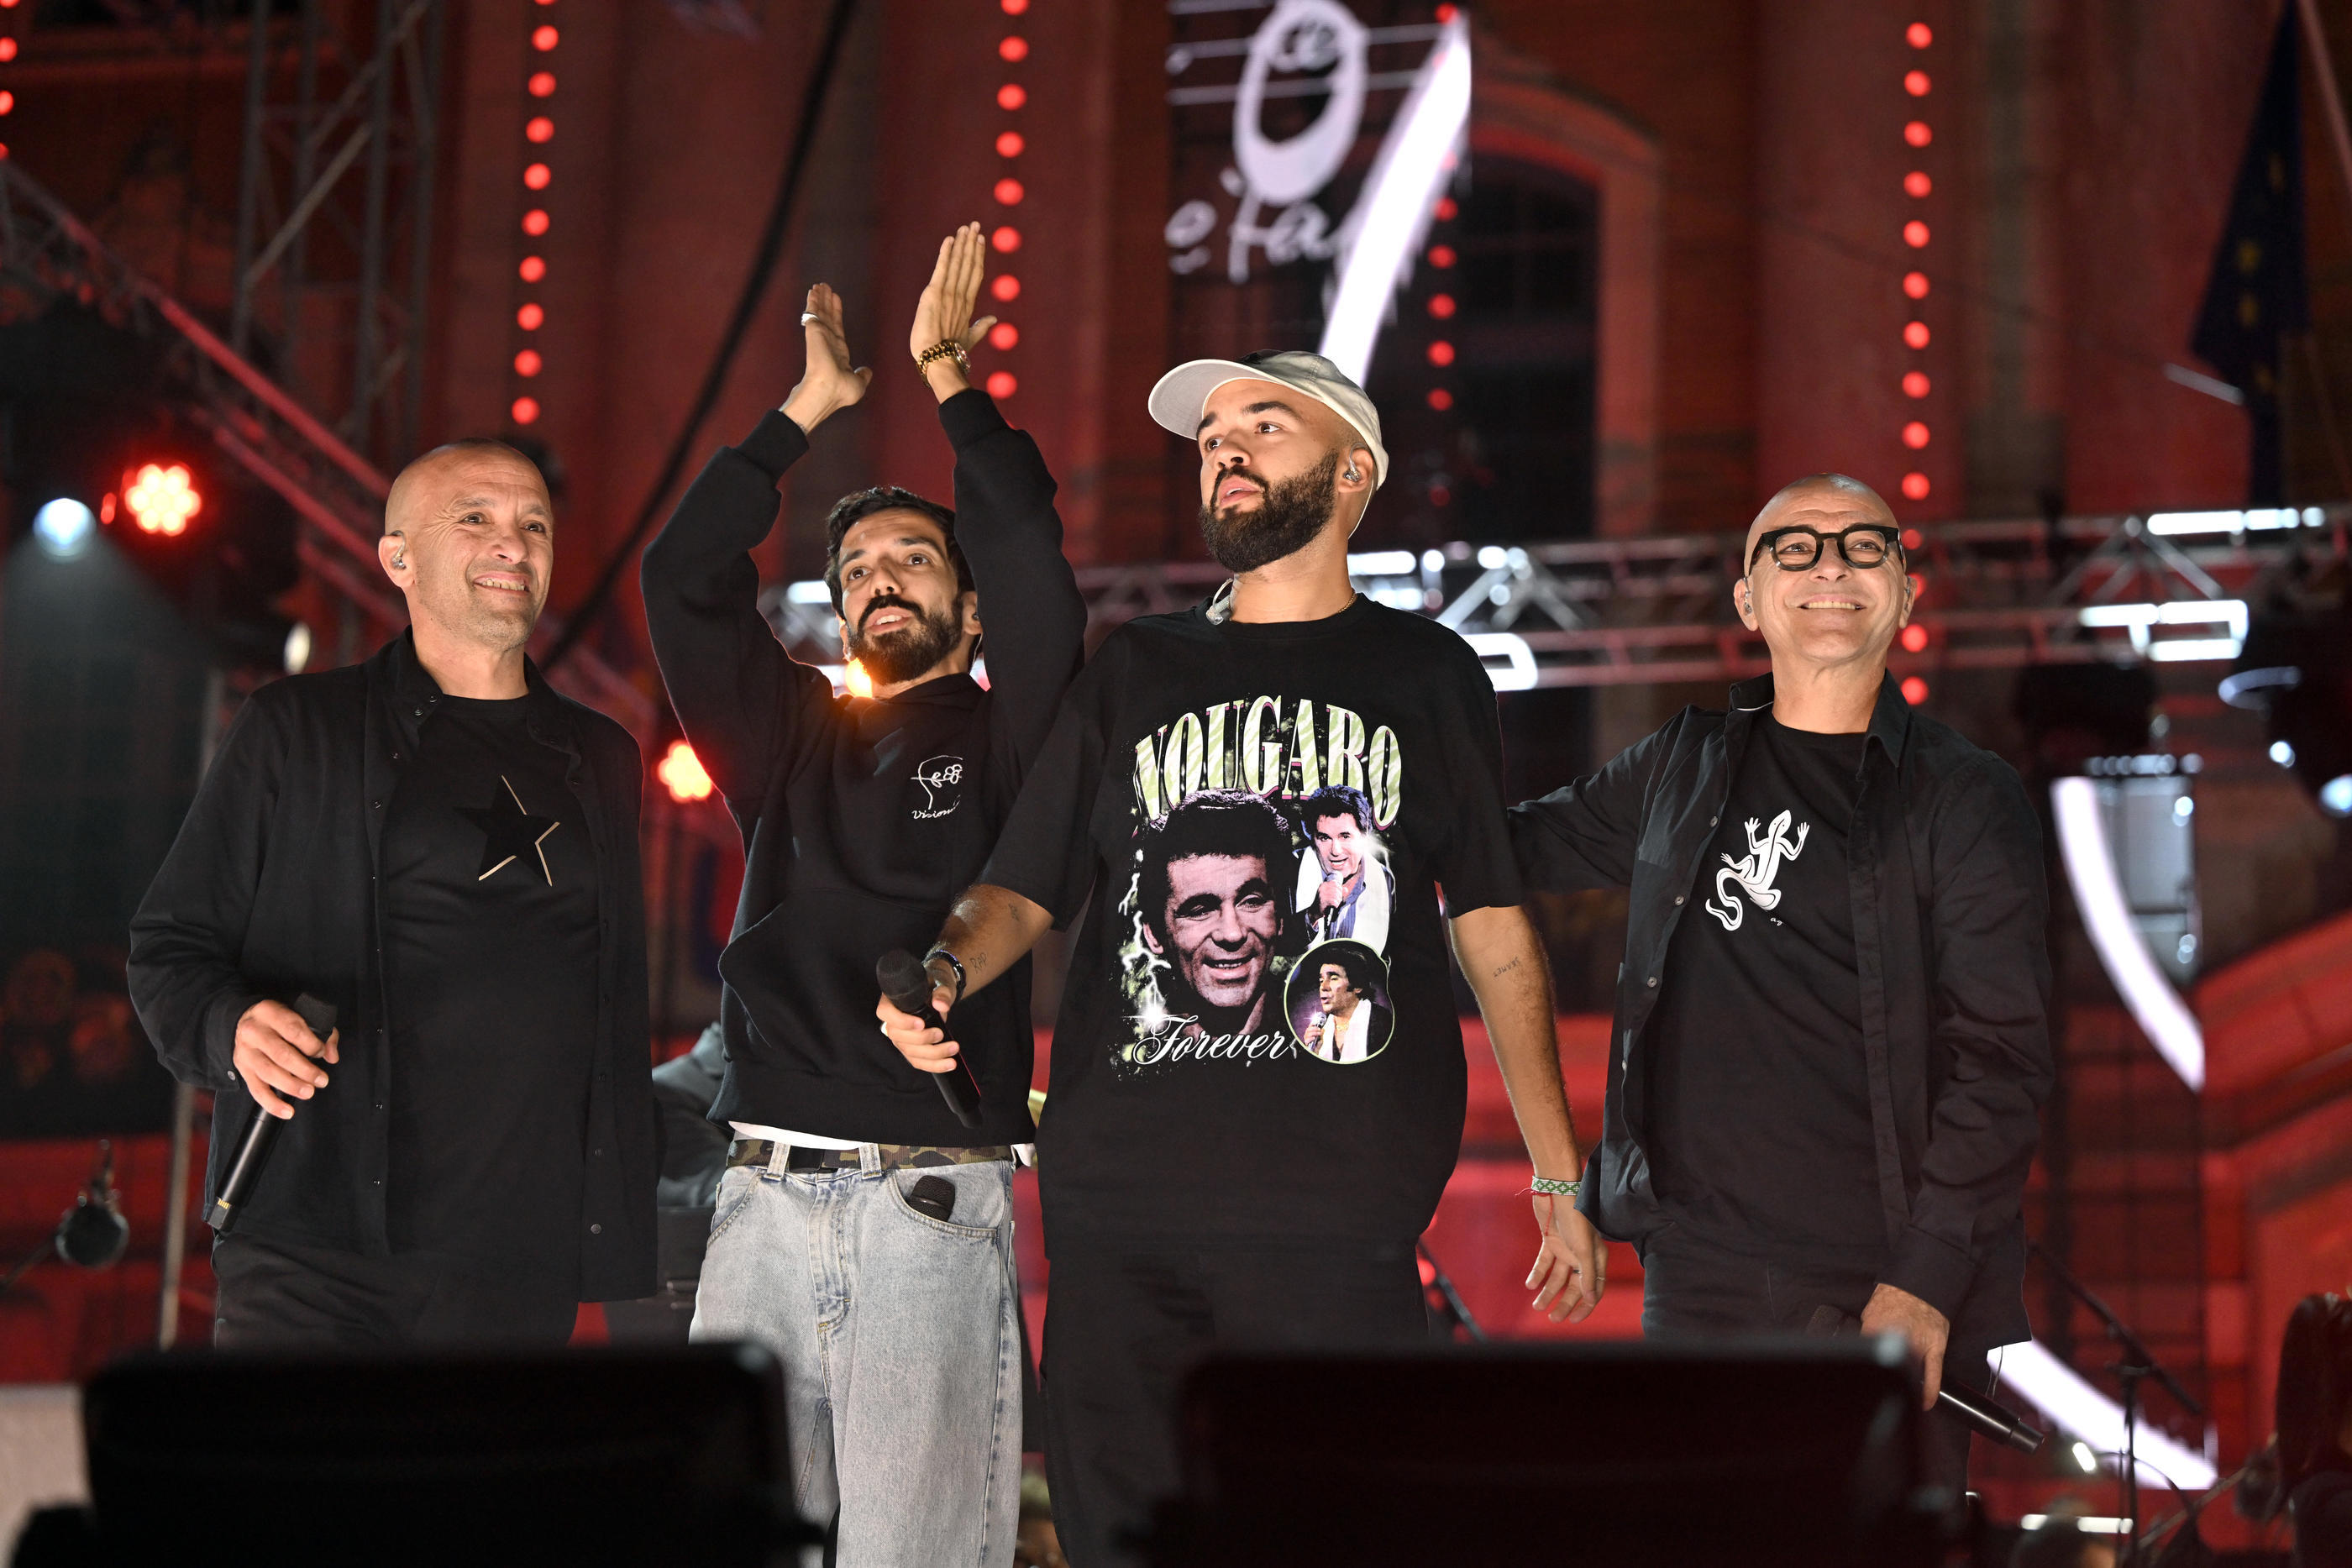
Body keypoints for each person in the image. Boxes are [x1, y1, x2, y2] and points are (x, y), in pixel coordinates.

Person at [879, 349, 1606, 1568]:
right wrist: (949, 964)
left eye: (1263, 422)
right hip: (1122, 1214)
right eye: (1212, 432)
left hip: (1339, 1208)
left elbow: (1489, 925)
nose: (1224, 446)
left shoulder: (1427, 671)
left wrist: (1556, 1175)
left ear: (1353, 469)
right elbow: (1023, 883)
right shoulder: (1137, 667)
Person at [638, 224, 1085, 1567]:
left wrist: (947, 377)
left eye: (912, 561)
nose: (879, 579)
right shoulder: (789, 740)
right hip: (758, 1201)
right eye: (856, 572)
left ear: (971, 606)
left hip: (927, 1208)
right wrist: (798, 417)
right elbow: (680, 581)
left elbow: (1034, 564)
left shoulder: (1015, 736)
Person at [1509, 473, 2052, 1496]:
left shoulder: (1962, 794)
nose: (1829, 566)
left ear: (1902, 589)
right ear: (1749, 600)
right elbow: (1504, 850)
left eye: (1861, 546)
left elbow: (2003, 1064)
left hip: (1874, 1279)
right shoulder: (1682, 764)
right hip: (1695, 1275)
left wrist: (1924, 1284)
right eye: (1793, 549)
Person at [127, 438, 655, 1345]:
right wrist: (233, 1028)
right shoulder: (299, 729)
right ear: (398, 556)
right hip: (316, 1248)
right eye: (476, 519)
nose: (513, 544)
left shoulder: (600, 756)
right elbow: (171, 948)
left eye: (534, 525)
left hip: (515, 1261)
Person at [1295, 783, 1392, 948]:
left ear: (1364, 835)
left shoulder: (1386, 879)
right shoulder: (1291, 869)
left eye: (1345, 836)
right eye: (1325, 838)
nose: (1335, 850)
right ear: (1313, 838)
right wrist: (1312, 914)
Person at [1294, 942, 1391, 1064]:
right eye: (1321, 980)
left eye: (1334, 978)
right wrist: (1314, 1052)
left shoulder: (1382, 1021)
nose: (1323, 987)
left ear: (1357, 986)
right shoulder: (1322, 1027)